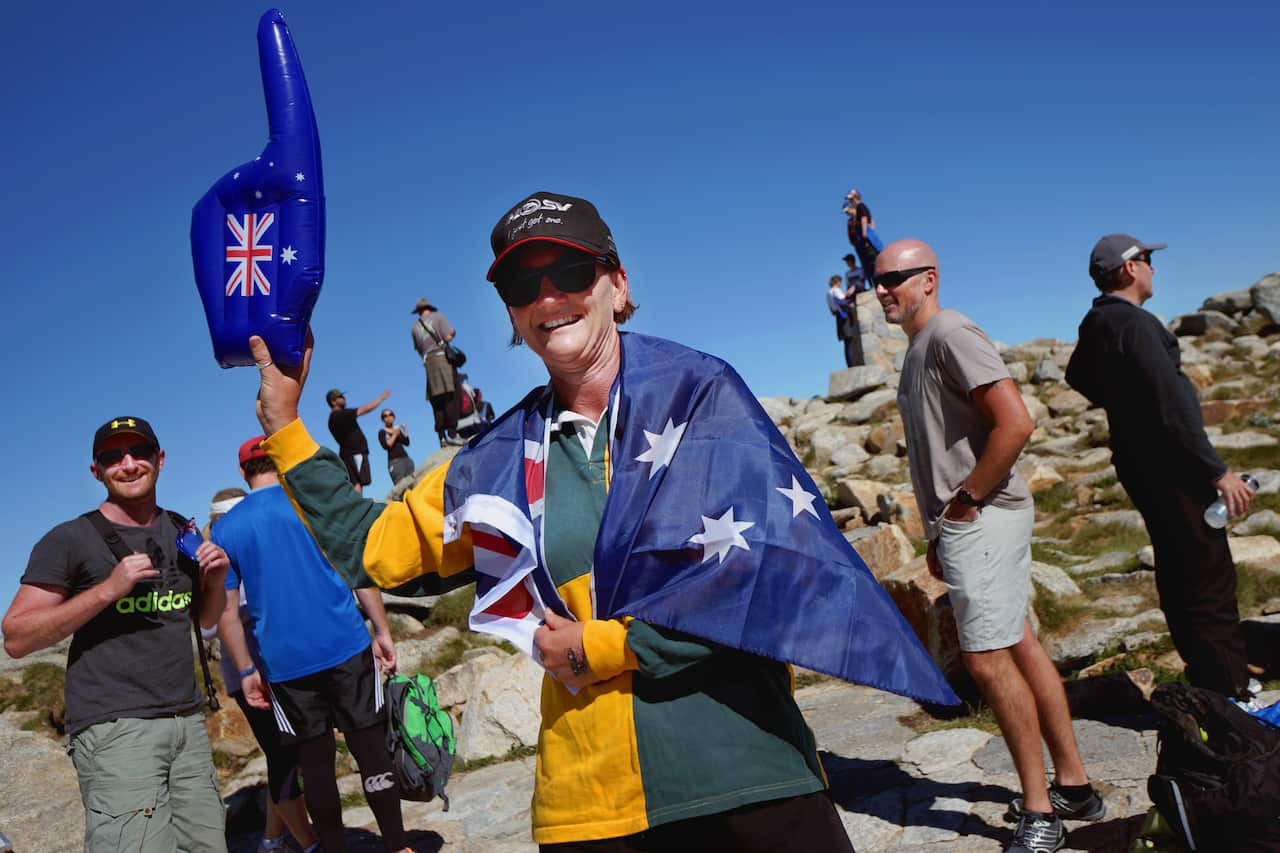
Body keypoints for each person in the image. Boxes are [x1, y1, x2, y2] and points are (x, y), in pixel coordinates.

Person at [247, 191, 957, 851]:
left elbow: (762, 579)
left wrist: (607, 647)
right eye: (522, 286)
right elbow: (368, 548)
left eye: (570, 271)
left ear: (617, 285)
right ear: (513, 316)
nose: (548, 296)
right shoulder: (491, 462)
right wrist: (286, 423)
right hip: (589, 809)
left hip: (747, 774)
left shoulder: (702, 398)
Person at [876, 240, 1103, 853]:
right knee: (1018, 642)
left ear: (929, 279)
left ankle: (1039, 813)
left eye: (894, 277)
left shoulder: (951, 332)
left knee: (985, 659)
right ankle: (1075, 787)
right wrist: (940, 530)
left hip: (983, 516)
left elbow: (1016, 421)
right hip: (964, 524)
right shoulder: (919, 348)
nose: (880, 289)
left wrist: (968, 501)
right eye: (875, 280)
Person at [1, 416, 231, 852]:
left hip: (187, 723)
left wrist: (215, 581)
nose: (128, 464)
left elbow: (202, 621)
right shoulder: (70, 539)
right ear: (97, 471)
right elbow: (16, 637)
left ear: (159, 460)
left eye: (139, 453)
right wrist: (108, 590)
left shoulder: (181, 528)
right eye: (112, 456)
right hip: (116, 730)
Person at [1065, 234, 1255, 700]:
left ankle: (1207, 677)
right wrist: (1217, 472)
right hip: (1175, 469)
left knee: (1178, 571)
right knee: (1208, 578)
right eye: (1148, 260)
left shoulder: (1097, 323)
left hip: (1140, 467)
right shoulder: (1136, 324)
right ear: (1130, 269)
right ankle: (1232, 689)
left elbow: (1076, 375)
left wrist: (1124, 405)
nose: (1154, 268)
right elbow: (1172, 406)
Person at [212, 436, 407, 853]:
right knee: (370, 747)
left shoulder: (227, 528)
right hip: (345, 644)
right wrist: (382, 630)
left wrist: (246, 670)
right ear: (279, 462)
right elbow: (357, 568)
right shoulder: (313, 503)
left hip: (285, 663)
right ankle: (397, 845)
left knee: (315, 765)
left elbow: (227, 613)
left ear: (243, 472)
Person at [208, 486, 319, 853]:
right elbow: (208, 624)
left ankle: (272, 840)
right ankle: (309, 844)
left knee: (295, 755)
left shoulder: (260, 550)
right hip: (245, 675)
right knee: (284, 757)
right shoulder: (210, 566)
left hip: (283, 667)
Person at [411, 298, 465, 447]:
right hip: (442, 359)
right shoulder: (438, 317)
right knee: (450, 396)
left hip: (428, 363)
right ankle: (452, 434)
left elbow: (418, 349)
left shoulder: (414, 327)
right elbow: (447, 336)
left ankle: (441, 437)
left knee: (436, 401)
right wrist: (453, 333)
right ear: (429, 307)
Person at [326, 387, 390, 494]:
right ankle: (358, 507)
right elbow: (364, 409)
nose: (344, 399)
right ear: (333, 402)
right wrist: (380, 399)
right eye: (340, 397)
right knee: (357, 483)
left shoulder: (334, 418)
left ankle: (358, 506)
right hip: (354, 453)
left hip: (350, 454)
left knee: (356, 482)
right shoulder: (339, 415)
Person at [844, 188, 879, 281]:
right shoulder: (851, 220)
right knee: (867, 264)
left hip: (866, 240)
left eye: (851, 199)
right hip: (860, 243)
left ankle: (879, 280)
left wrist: (864, 235)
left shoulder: (860, 206)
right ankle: (874, 282)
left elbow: (866, 219)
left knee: (873, 261)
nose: (850, 202)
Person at [826, 274, 862, 367]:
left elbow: (832, 310)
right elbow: (843, 300)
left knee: (846, 343)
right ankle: (852, 364)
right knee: (849, 341)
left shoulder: (828, 293)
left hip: (838, 317)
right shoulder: (836, 290)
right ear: (837, 281)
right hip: (844, 316)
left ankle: (849, 364)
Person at [378, 408, 416, 485]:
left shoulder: (397, 430)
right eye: (385, 416)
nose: (388, 417)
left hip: (406, 459)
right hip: (395, 462)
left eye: (390, 414)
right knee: (400, 488)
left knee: (413, 485)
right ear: (382, 419)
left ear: (394, 417)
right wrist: (395, 434)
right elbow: (387, 445)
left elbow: (406, 442)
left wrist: (404, 430)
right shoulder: (382, 432)